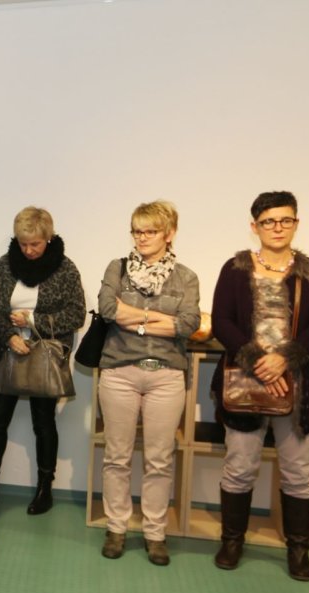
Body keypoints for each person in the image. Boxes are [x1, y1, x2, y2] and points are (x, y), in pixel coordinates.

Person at [211, 191, 309, 581]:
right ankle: (232, 541)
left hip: (299, 384)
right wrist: (258, 362)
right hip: (244, 383)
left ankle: (298, 550)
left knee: (298, 471)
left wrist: (285, 359)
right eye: (268, 221)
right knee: (239, 466)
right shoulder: (234, 269)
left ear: (296, 223)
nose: (277, 227)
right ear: (255, 226)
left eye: (285, 220)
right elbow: (221, 322)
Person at [96, 200, 200, 565]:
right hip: (119, 372)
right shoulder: (117, 268)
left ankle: (155, 533)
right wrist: (157, 320)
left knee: (159, 459)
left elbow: (187, 324)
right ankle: (116, 527)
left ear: (169, 234)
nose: (142, 238)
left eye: (150, 231)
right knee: (117, 457)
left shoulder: (186, 277)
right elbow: (108, 309)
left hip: (167, 376)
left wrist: (135, 319)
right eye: (137, 231)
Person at [0, 207, 85, 516]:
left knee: (44, 422)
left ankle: (45, 489)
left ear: (48, 238)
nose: (28, 250)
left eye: (35, 244)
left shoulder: (65, 268)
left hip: (46, 357)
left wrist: (33, 320)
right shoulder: (5, 265)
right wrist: (9, 336)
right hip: (8, 352)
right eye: (23, 243)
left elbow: (77, 314)